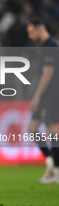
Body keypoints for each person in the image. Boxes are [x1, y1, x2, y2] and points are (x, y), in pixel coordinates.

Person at [27, 17, 59, 184]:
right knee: (33, 128)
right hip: (48, 95)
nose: (30, 36)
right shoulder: (47, 46)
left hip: (51, 95)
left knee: (52, 131)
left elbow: (48, 73)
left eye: (32, 32)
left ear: (40, 28)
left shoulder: (50, 46)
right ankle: (51, 165)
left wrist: (37, 96)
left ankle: (56, 171)